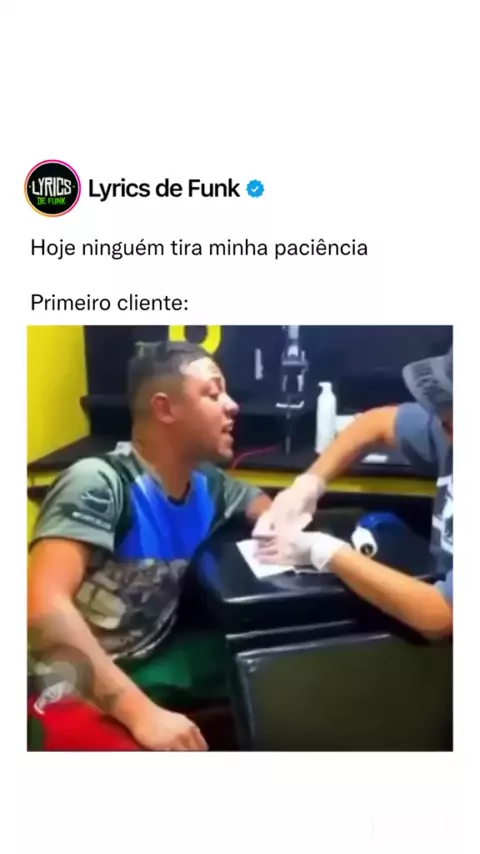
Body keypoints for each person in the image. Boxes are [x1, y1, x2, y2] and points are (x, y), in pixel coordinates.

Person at [28, 341, 271, 751]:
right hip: (64, 677)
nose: (232, 406)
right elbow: (40, 607)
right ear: (165, 409)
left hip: (151, 657)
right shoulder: (99, 482)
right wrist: (139, 713)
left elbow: (257, 502)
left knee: (273, 675)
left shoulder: (208, 484)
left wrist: (283, 520)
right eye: (213, 394)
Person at [253, 347, 453, 640]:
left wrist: (326, 552)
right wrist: (309, 482)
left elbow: (441, 616)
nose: (444, 427)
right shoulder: (449, 428)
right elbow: (375, 424)